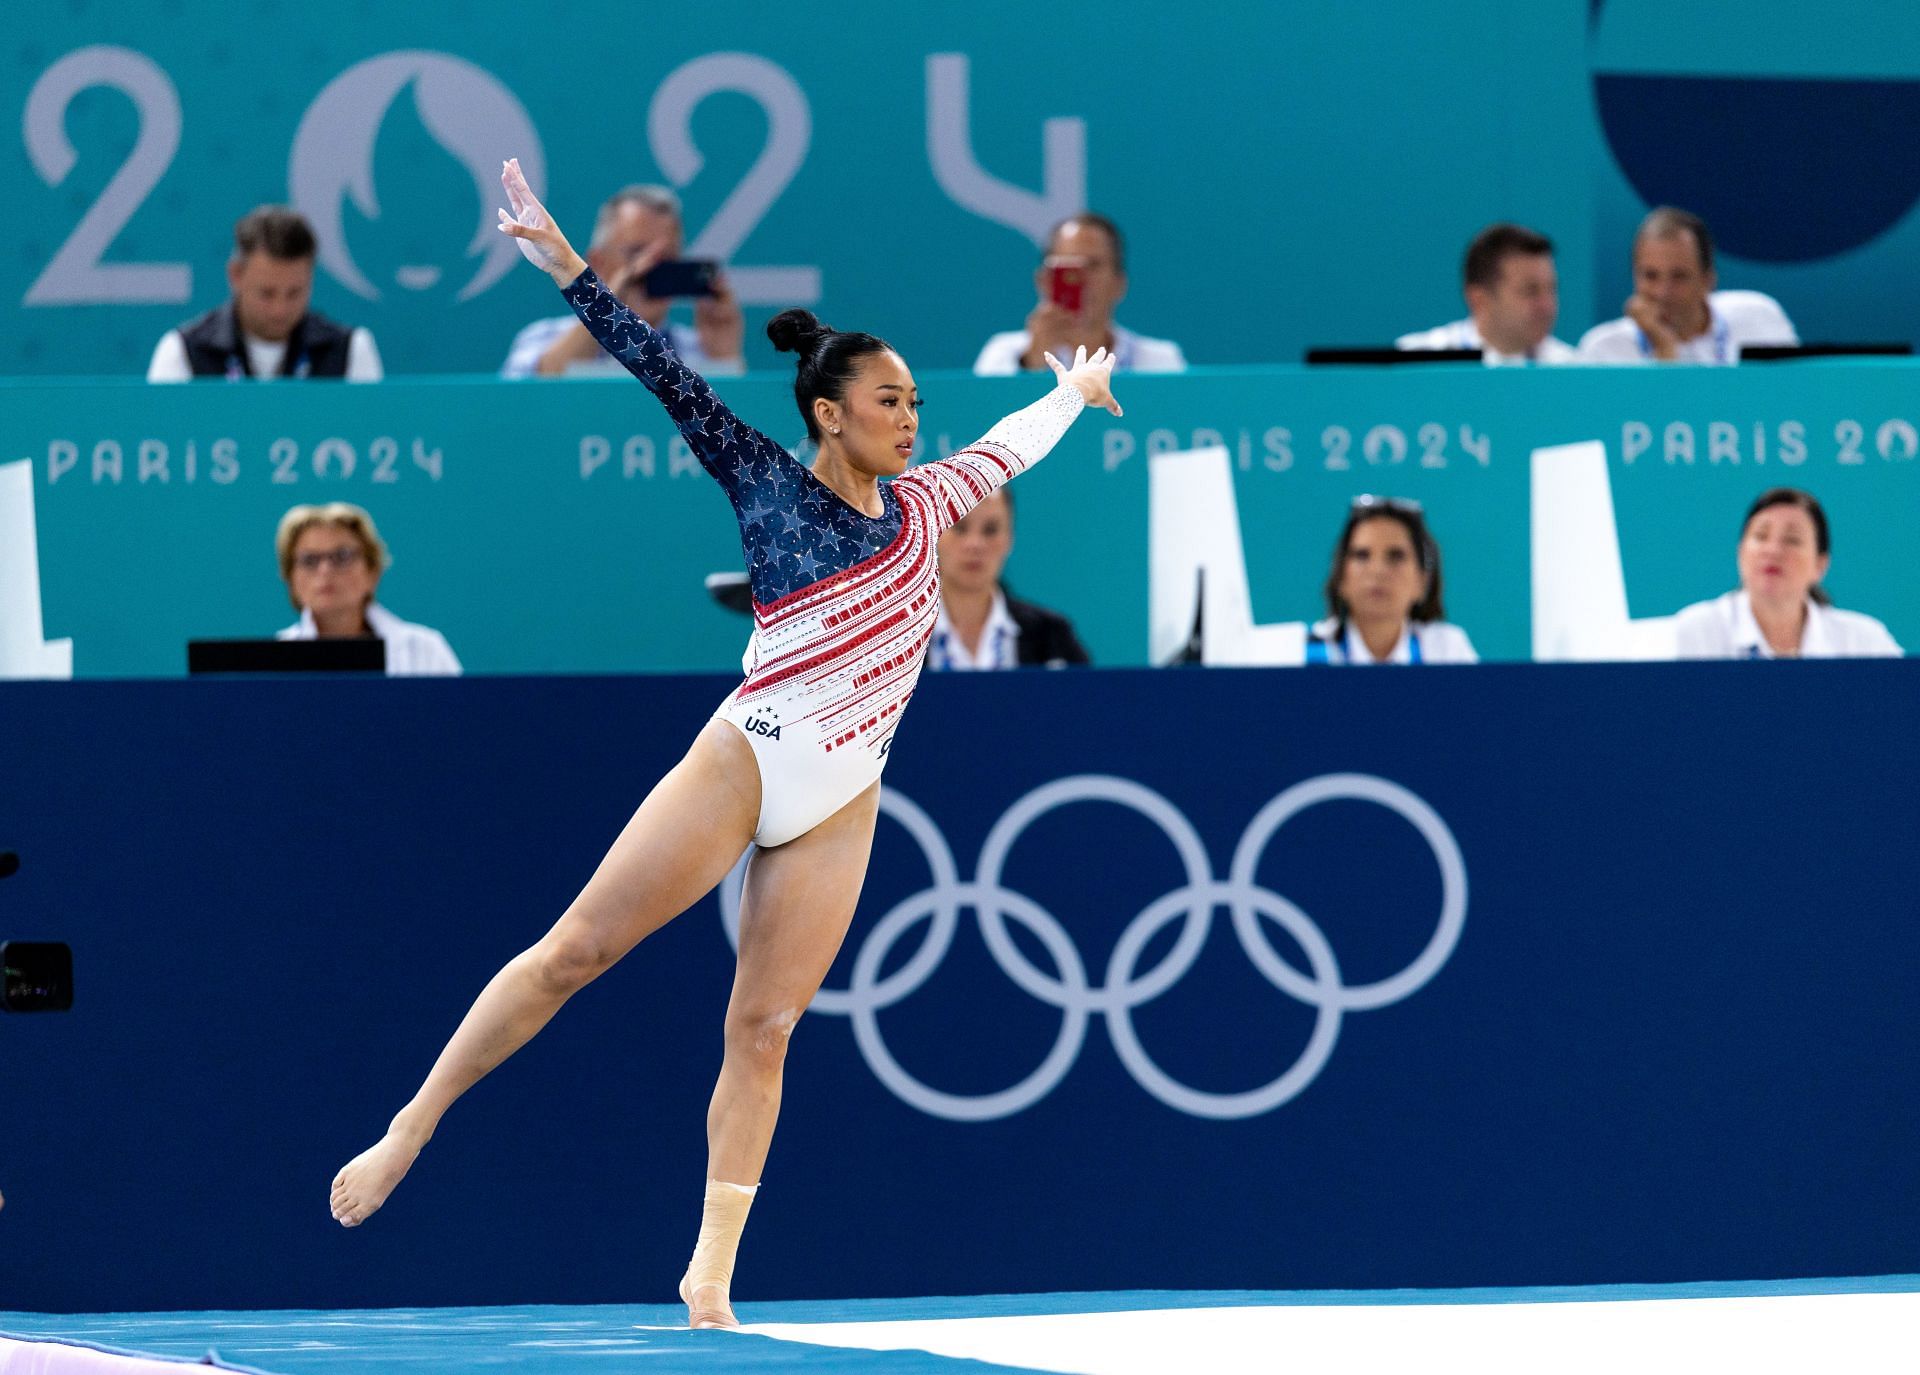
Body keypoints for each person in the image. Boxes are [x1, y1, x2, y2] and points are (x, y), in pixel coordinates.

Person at [329, 159, 1120, 1331]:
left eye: (915, 401)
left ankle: (711, 1272)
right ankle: (413, 1122)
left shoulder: (931, 503)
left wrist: (1074, 390)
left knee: (765, 1028)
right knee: (575, 952)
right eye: (892, 399)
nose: (914, 416)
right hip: (747, 754)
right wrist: (568, 266)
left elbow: (1013, 442)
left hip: (845, 795)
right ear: (829, 410)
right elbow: (663, 370)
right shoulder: (764, 481)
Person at [500, 184, 744, 378]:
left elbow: (734, 432)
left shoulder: (698, 352)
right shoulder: (542, 338)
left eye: (666, 258)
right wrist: (606, 312)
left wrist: (724, 358)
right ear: (598, 263)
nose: (650, 267)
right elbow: (527, 404)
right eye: (636, 253)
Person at [147, 207, 382, 382]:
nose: (280, 309)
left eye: (295, 293)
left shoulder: (352, 350)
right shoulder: (183, 351)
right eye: (267, 293)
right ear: (236, 275)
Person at [1673, 488, 1900, 658]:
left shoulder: (1863, 642)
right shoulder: (1698, 630)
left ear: (1820, 565)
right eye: (1761, 536)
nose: (1772, 550)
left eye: (1792, 540)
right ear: (1740, 552)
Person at [972, 213, 1186, 375]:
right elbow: (989, 427)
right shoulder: (1001, 356)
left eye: (1093, 265)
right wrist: (1030, 364)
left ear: (1119, 284)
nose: (1080, 280)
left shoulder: (1161, 363)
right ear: (1043, 281)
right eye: (1067, 267)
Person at [1577, 207, 1797, 364]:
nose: (1663, 292)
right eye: (1650, 276)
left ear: (1708, 279)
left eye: (1679, 276)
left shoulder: (1761, 319)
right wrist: (1663, 346)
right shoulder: (1603, 352)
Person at [274, 503, 461, 676]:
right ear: (290, 577)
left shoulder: (425, 651)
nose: (325, 570)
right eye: (309, 560)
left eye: (342, 556)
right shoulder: (273, 662)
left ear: (373, 571)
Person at [929, 486, 1090, 669]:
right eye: (960, 528)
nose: (974, 544)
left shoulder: (1051, 635)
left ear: (1009, 538)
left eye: (990, 530)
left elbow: (1090, 696)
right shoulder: (897, 637)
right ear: (935, 534)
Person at [1307, 497, 1478, 664]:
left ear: (1422, 582)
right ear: (1341, 577)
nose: (1377, 571)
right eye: (1361, 555)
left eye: (1396, 556)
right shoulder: (1291, 650)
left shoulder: (1447, 651)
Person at [1396, 223, 1575, 365]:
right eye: (1530, 291)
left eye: (1552, 289)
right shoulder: (1415, 362)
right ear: (1479, 300)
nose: (1547, 305)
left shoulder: (1572, 368)